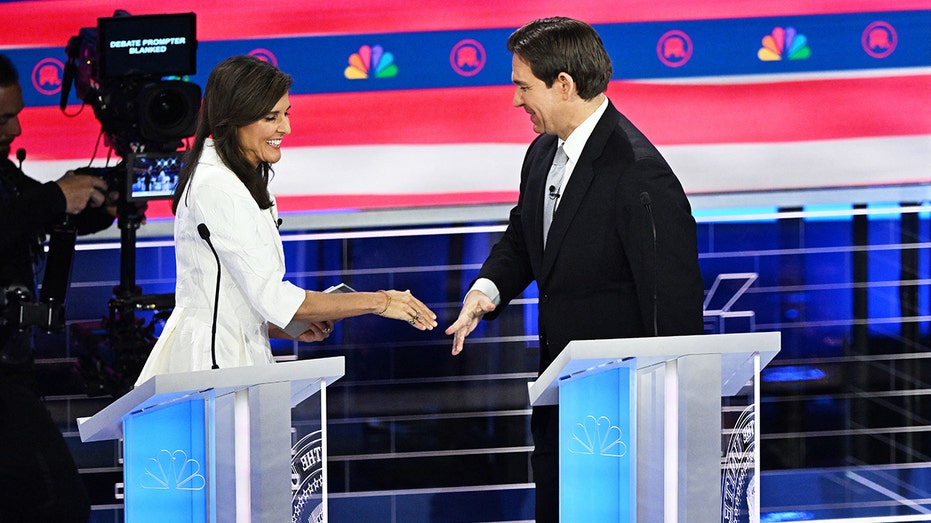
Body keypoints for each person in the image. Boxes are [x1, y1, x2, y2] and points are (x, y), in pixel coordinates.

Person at [444, 18, 705, 522]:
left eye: (523, 86)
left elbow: (670, 305)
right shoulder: (543, 152)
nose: (516, 100)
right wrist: (488, 288)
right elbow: (526, 235)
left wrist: (667, 416)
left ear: (563, 84)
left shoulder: (637, 171)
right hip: (563, 397)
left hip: (619, 416)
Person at [135, 56, 437, 383]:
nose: (286, 128)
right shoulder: (218, 187)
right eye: (271, 117)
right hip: (214, 373)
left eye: (285, 114)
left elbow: (232, 300)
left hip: (228, 362)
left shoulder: (236, 178)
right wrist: (380, 302)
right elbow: (272, 298)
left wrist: (283, 328)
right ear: (233, 120)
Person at [0, 53, 118, 522]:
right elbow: (32, 208)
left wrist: (99, 201)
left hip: (12, 369)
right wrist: (54, 197)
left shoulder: (3, 170)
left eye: (16, 115)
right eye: (3, 119)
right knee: (58, 505)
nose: (15, 131)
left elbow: (30, 208)